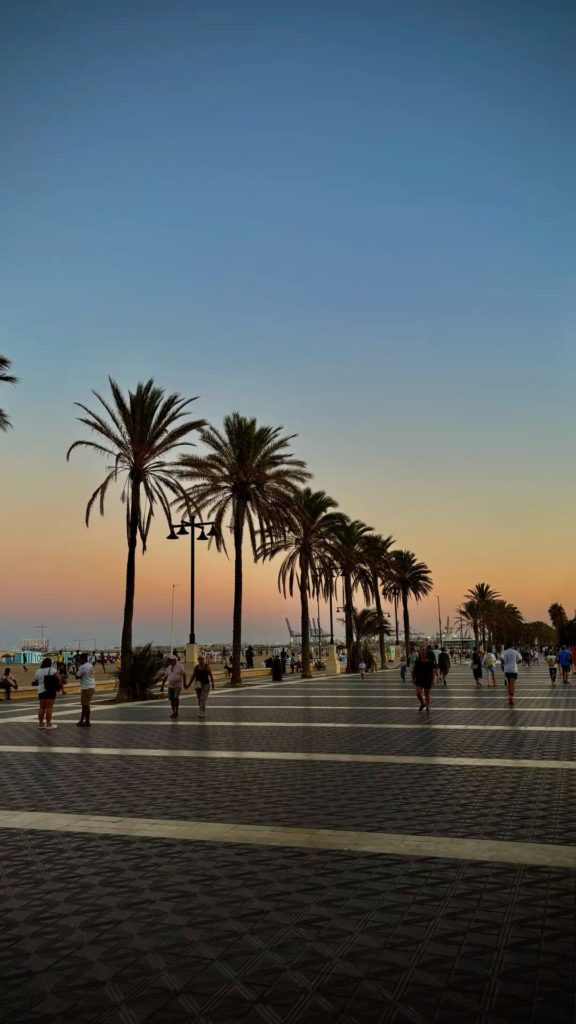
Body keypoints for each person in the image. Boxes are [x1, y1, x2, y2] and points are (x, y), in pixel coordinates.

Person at [35, 657, 64, 728]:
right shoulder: (52, 670)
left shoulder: (38, 671)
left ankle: (41, 724)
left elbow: (36, 681)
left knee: (41, 708)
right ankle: (48, 724)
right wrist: (59, 687)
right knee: (49, 707)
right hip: (50, 690)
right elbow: (60, 679)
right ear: (50, 663)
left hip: (41, 691)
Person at [412, 645, 437, 713]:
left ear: (426, 652)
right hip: (419, 678)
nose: (422, 651)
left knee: (426, 694)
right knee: (418, 693)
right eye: (421, 650)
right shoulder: (417, 661)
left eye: (424, 650)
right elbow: (414, 670)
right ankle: (423, 703)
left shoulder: (430, 661)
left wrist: (432, 680)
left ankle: (427, 707)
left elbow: (433, 671)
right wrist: (413, 678)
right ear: (419, 652)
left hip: (427, 678)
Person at [76, 653, 96, 727]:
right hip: (92, 687)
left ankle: (83, 721)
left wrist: (75, 672)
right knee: (87, 705)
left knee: (85, 706)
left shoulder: (83, 667)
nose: (79, 660)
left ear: (83, 659)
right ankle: (87, 721)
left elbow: (77, 677)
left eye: (80, 659)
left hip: (86, 688)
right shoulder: (91, 665)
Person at [501, 641, 522, 706]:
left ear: (507, 646)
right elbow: (520, 659)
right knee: (513, 684)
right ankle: (511, 696)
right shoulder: (515, 652)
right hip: (514, 670)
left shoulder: (504, 652)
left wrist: (504, 662)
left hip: (507, 670)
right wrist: (516, 662)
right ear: (512, 645)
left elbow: (501, 658)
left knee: (509, 683)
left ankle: (509, 695)